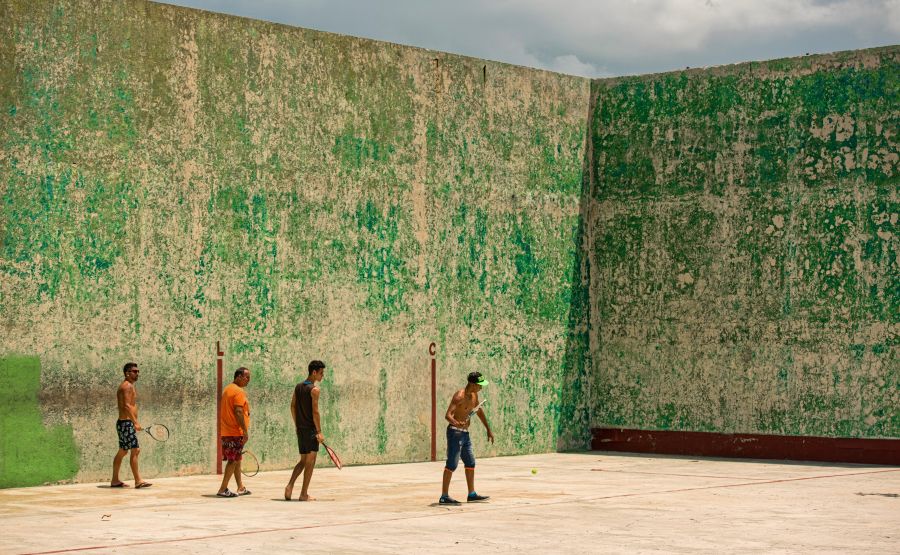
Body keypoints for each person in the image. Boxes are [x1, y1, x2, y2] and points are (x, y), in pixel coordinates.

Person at [439, 371, 494, 505]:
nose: (481, 387)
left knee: (470, 463)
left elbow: (478, 411)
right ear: (472, 384)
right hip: (454, 434)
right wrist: (456, 422)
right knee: (452, 464)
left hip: (465, 434)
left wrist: (488, 429)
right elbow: (448, 415)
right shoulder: (459, 396)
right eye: (479, 385)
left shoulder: (475, 396)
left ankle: (472, 494)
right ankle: (444, 496)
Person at [284, 360, 327, 501]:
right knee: (310, 462)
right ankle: (303, 494)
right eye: (321, 373)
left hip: (301, 430)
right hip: (310, 431)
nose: (322, 376)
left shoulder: (298, 387)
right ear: (314, 372)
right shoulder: (314, 390)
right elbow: (315, 412)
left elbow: (292, 406)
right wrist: (319, 432)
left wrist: (297, 426)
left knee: (302, 461)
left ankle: (290, 486)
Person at [111, 362, 151, 488]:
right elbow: (127, 406)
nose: (137, 373)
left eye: (138, 371)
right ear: (127, 373)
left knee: (123, 451)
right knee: (136, 449)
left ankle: (115, 480)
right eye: (134, 371)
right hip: (126, 424)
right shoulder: (127, 386)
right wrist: (135, 422)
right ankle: (138, 481)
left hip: (124, 423)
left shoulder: (127, 386)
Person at [217, 367, 252, 498]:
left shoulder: (227, 389)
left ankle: (240, 487)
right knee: (232, 461)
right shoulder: (238, 392)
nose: (248, 380)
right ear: (238, 377)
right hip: (234, 432)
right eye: (246, 377)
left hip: (227, 431)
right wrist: (244, 431)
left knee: (237, 459)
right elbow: (238, 412)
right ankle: (222, 489)